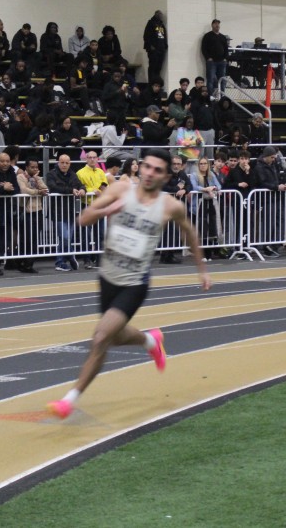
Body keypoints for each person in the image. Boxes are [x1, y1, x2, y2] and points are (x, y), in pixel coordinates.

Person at [47, 149, 212, 419]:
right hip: (108, 276)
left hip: (135, 282)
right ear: (140, 168)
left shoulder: (170, 206)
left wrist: (202, 270)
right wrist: (109, 209)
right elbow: (83, 219)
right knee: (114, 335)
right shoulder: (121, 189)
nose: (150, 173)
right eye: (147, 167)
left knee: (101, 338)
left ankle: (68, 400)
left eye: (157, 170)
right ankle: (150, 340)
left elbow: (190, 233)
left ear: (166, 176)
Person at [46, 153, 85, 272]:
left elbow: (80, 185)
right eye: (62, 162)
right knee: (65, 237)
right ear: (58, 162)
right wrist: (70, 190)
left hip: (71, 211)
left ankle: (61, 261)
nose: (64, 165)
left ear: (70, 164)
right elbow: (53, 187)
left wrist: (82, 190)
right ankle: (69, 256)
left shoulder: (73, 174)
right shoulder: (51, 174)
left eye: (67, 163)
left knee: (67, 238)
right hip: (57, 211)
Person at [16, 157, 48, 274]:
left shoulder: (37, 178)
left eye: (36, 167)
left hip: (38, 210)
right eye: (32, 167)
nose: (35, 169)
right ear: (27, 167)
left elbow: (45, 189)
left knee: (35, 238)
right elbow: (24, 190)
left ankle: (30, 264)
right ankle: (22, 263)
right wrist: (38, 192)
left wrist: (37, 180)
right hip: (26, 211)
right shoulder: (21, 177)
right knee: (26, 238)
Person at [201, 19, 229, 94]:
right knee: (211, 79)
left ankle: (222, 96)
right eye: (215, 24)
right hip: (212, 62)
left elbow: (226, 49)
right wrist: (208, 58)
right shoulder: (207, 36)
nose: (217, 25)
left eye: (218, 24)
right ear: (212, 25)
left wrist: (225, 58)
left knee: (222, 80)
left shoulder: (223, 37)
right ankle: (211, 96)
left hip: (222, 62)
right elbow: (203, 48)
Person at [143, 11, 168, 82]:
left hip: (161, 49)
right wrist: (150, 46)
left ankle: (157, 83)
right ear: (156, 14)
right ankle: (151, 83)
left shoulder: (162, 25)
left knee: (159, 67)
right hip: (154, 49)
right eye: (160, 14)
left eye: (161, 14)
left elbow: (164, 36)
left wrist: (165, 45)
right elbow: (146, 36)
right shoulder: (151, 23)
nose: (161, 16)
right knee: (153, 66)